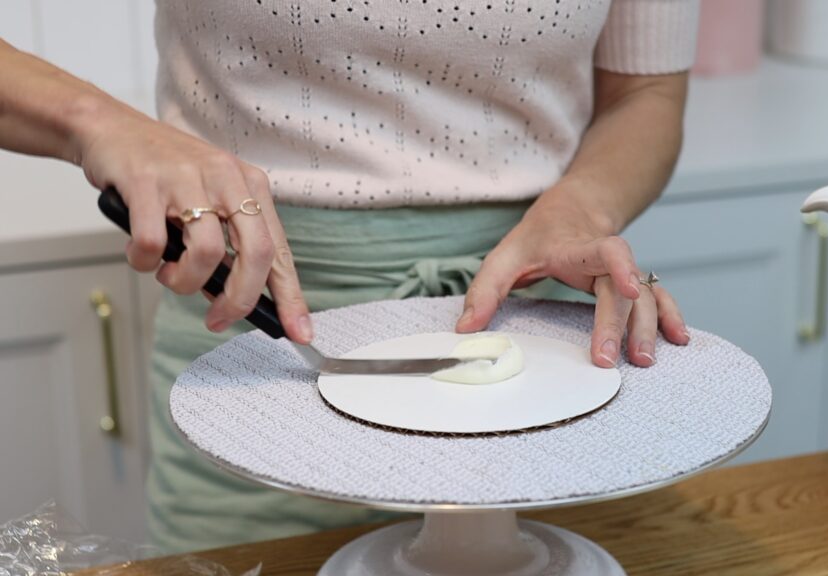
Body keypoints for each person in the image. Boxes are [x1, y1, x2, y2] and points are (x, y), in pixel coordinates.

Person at [0, 0, 697, 553]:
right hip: (258, 333)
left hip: (536, 326)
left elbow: (648, 91)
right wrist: (91, 120)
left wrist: (582, 209)